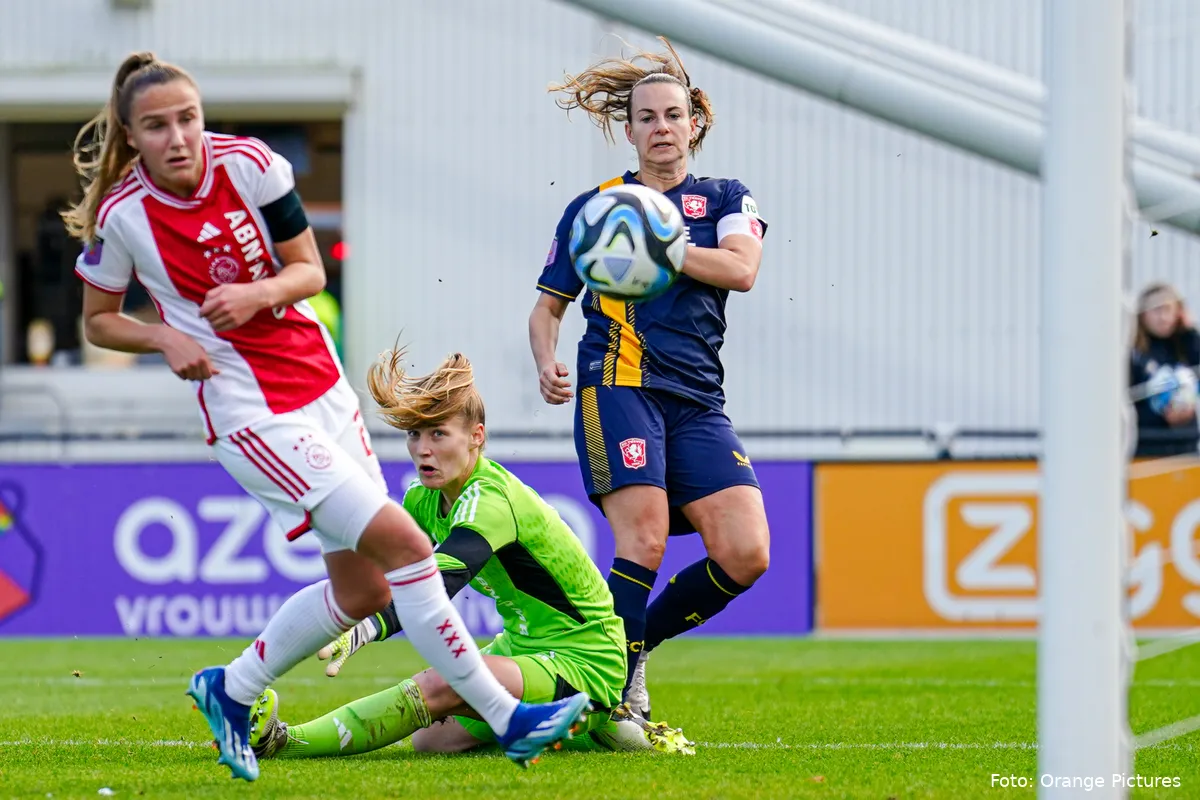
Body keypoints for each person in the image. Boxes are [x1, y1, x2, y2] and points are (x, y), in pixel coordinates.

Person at [64, 51, 589, 781]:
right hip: (251, 411)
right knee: (407, 545)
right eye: (157, 126)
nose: (179, 137)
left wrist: (257, 296)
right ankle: (510, 719)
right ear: (131, 133)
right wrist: (162, 336)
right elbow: (98, 320)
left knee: (365, 591)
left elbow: (309, 270)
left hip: (322, 388)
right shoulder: (122, 217)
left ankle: (232, 687)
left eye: (188, 118)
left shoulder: (252, 166)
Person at [244, 348, 694, 760]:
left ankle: (282, 741)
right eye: (415, 434)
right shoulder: (422, 499)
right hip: (524, 647)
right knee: (430, 741)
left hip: (586, 656)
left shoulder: (490, 499)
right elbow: (386, 578)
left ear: (476, 436)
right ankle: (573, 724)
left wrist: (364, 629)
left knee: (443, 682)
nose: (423, 449)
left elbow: (439, 583)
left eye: (439, 434)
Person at [528, 39, 771, 720]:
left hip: (697, 400)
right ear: (628, 129)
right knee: (646, 539)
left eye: (673, 114)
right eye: (647, 118)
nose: (661, 128)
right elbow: (547, 309)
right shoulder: (597, 209)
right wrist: (545, 359)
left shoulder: (726, 197)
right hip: (617, 384)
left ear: (694, 121)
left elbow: (742, 270)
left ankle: (629, 650)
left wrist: (661, 245)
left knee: (747, 553)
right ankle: (615, 691)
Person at [1130, 282, 1200, 457]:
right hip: (1147, 449)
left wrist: (1190, 331)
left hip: (1185, 446)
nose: (1162, 317)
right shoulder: (1133, 353)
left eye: (1168, 309)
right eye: (1156, 310)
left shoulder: (1186, 345)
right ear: (1142, 314)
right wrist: (1164, 416)